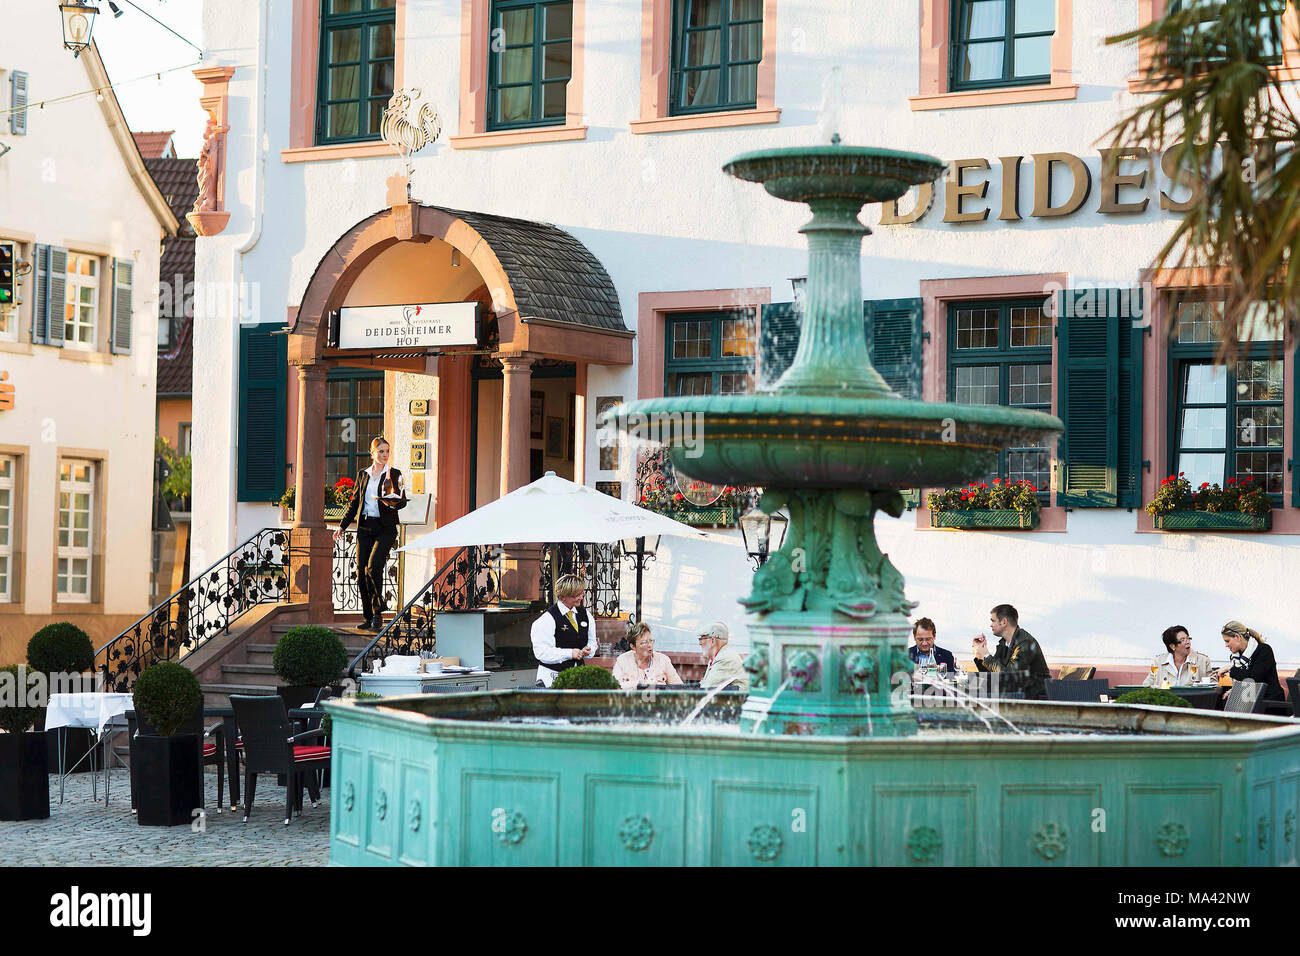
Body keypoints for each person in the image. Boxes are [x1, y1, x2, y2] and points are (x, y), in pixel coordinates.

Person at [335, 437, 407, 631]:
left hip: (385, 528)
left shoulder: (394, 473)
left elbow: (402, 501)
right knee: (360, 573)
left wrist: (391, 502)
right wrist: (342, 526)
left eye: (387, 451)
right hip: (365, 528)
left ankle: (377, 613)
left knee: (373, 567)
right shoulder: (363, 475)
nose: (385, 455)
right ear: (372, 453)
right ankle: (368, 616)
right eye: (381, 451)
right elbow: (355, 503)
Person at [530, 574, 597, 687]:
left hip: (578, 676)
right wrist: (570, 653)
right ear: (562, 597)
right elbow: (542, 653)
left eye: (581, 593)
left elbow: (592, 642)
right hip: (552, 677)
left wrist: (588, 650)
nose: (581, 597)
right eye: (576, 595)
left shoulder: (586, 615)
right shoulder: (547, 619)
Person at [972, 604, 1050, 700]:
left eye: (993, 621)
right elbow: (993, 675)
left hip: (1036, 699)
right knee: (973, 688)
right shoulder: (1004, 643)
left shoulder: (1025, 643)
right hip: (1015, 694)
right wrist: (980, 655)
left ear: (1004, 622)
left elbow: (1009, 676)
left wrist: (986, 656)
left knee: (977, 694)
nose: (990, 625)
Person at [1212, 620, 1283, 702]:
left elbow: (1254, 678)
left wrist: (1231, 669)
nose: (1226, 645)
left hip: (1268, 703)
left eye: (1227, 641)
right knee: (1218, 698)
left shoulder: (1264, 650)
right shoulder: (1237, 657)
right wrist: (1234, 690)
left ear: (1237, 637)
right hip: (1251, 700)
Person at [612, 622, 683, 690]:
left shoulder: (663, 660)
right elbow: (614, 687)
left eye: (651, 641)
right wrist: (638, 685)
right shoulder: (622, 660)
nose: (649, 645)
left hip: (657, 701)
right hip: (631, 702)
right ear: (633, 646)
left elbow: (679, 688)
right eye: (644, 642)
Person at [1142, 625, 1212, 687]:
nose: (1188, 642)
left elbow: (1214, 687)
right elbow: (1147, 686)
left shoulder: (1203, 661)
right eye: (1183, 640)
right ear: (1172, 646)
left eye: (1188, 638)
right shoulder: (1159, 662)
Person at [699, 622, 749, 693]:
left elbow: (705, 690)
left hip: (738, 703)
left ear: (712, 640)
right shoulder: (719, 656)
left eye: (702, 639)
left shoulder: (725, 658)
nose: (700, 643)